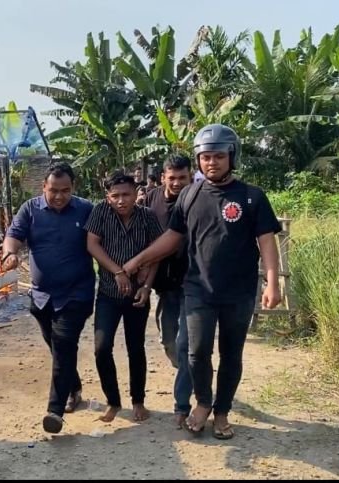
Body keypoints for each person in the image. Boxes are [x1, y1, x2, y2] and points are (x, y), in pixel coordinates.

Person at [123, 124, 282, 440]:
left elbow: (266, 241)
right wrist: (139, 260)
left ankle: (222, 412)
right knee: (195, 352)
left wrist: (273, 282)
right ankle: (203, 403)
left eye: (219, 156)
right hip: (197, 289)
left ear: (231, 156)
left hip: (239, 290)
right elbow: (172, 237)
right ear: (198, 160)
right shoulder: (190, 195)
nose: (212, 162)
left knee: (231, 353)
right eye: (206, 157)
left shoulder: (251, 197)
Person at [2, 163, 96, 434]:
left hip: (77, 292)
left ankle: (55, 411)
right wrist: (10, 254)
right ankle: (74, 387)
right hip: (42, 296)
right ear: (43, 187)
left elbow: (100, 240)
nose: (58, 196)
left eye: (65, 191)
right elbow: (14, 236)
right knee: (57, 347)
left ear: (73, 188)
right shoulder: (30, 209)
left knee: (64, 342)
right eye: (53, 190)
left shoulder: (86, 209)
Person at [84, 171, 164, 423]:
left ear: (136, 194)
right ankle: (113, 401)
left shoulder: (147, 217)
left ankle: (138, 401)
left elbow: (157, 253)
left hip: (137, 295)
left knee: (136, 347)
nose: (121, 200)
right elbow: (92, 245)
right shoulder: (100, 212)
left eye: (126, 194)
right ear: (107, 197)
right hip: (108, 293)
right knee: (101, 347)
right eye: (115, 196)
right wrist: (117, 271)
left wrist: (147, 286)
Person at [143, 154, 194, 428]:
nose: (176, 183)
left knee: (186, 344)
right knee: (168, 341)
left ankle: (181, 404)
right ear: (163, 176)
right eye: (171, 177)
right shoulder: (151, 199)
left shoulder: (198, 197)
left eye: (182, 177)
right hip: (163, 284)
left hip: (192, 283)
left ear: (190, 176)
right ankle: (189, 372)